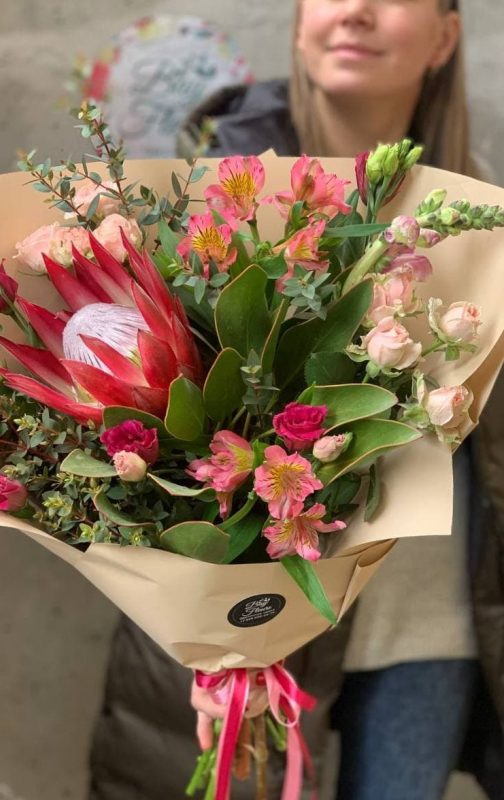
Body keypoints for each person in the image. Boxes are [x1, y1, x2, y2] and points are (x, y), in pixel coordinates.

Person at [89, 2, 504, 798]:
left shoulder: (475, 200)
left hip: (426, 614)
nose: (353, 12)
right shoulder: (211, 187)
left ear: (446, 35)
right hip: (252, 618)